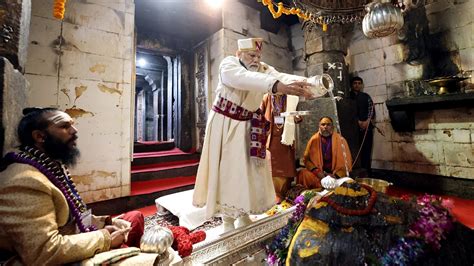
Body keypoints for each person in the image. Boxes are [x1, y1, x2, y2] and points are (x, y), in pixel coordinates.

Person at [192, 37, 317, 233]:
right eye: (251, 55)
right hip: (225, 125)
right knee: (228, 172)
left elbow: (283, 77)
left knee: (247, 172)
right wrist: (275, 86)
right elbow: (244, 79)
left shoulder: (263, 69)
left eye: (258, 56)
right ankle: (227, 220)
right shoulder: (228, 64)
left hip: (247, 126)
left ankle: (243, 214)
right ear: (238, 54)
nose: (256, 60)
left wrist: (308, 84)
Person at [0, 108, 144, 265]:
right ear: (40, 136)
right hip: (51, 258)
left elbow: (73, 218)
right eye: (64, 126)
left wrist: (106, 223)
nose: (74, 131)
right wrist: (105, 238)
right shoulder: (25, 181)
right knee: (150, 258)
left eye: (72, 125)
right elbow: (43, 252)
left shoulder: (50, 165)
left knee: (134, 217)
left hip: (71, 236)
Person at [260, 93, 302, 201]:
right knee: (273, 167)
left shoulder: (291, 98)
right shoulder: (267, 97)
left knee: (286, 166)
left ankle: (284, 192)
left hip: (286, 137)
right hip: (272, 138)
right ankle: (274, 194)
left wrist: (297, 118)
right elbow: (260, 114)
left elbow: (298, 116)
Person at [296, 116, 353, 189]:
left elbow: (347, 163)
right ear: (319, 126)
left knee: (348, 181)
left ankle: (327, 188)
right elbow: (306, 160)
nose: (325, 127)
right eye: (323, 124)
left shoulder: (340, 140)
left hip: (336, 176)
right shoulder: (313, 140)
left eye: (328, 124)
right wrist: (318, 172)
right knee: (303, 173)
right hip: (319, 174)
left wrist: (335, 176)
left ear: (332, 127)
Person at [350, 76, 375, 177]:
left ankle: (366, 173)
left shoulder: (366, 96)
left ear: (362, 85)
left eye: (359, 83)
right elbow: (347, 112)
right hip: (352, 130)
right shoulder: (348, 97)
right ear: (352, 85)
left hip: (366, 128)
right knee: (353, 151)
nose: (357, 85)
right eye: (355, 83)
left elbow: (371, 110)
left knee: (366, 151)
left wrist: (367, 121)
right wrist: (357, 121)